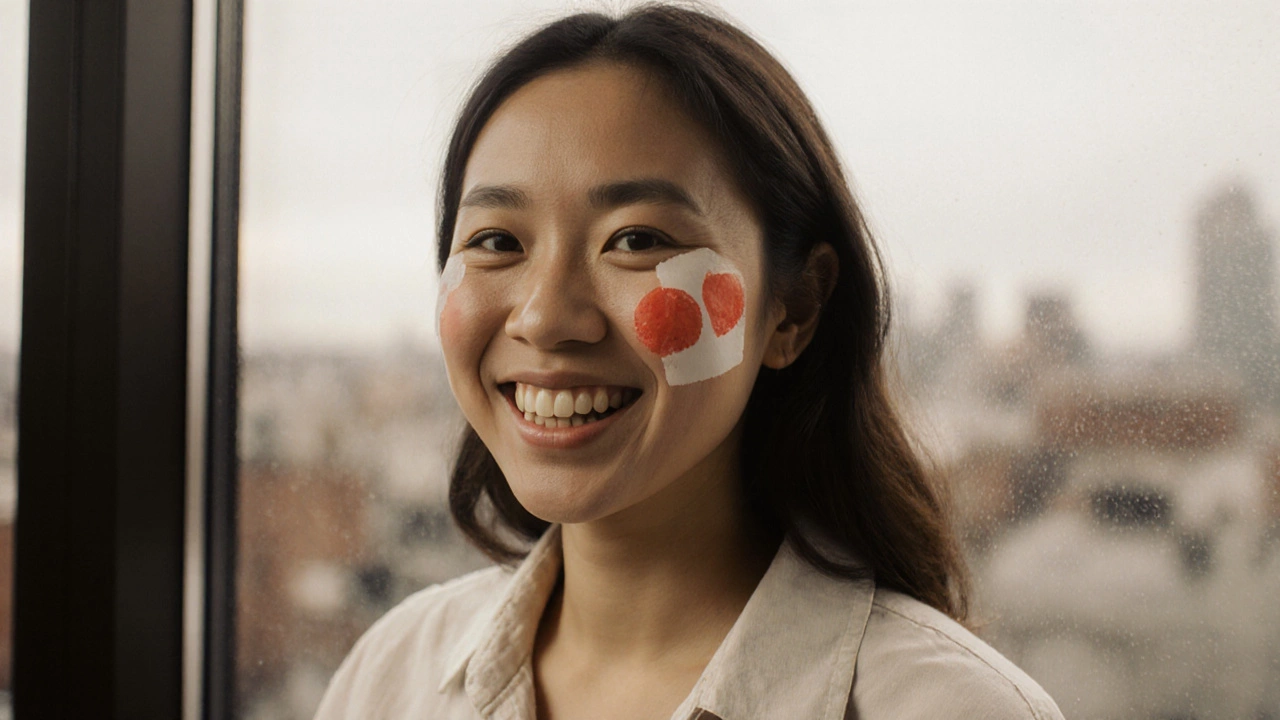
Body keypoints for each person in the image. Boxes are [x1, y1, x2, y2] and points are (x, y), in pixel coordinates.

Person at [315, 4, 1065, 719]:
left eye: (636, 240)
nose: (544, 316)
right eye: (497, 241)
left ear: (795, 307)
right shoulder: (391, 675)